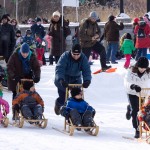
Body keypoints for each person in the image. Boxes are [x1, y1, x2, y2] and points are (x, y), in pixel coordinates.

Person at [54, 44, 92, 115]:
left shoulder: (83, 58)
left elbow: (86, 70)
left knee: (77, 99)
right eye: (74, 54)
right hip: (64, 79)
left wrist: (87, 80)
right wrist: (61, 79)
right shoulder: (65, 56)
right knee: (63, 99)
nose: (76, 56)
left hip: (76, 79)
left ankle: (77, 115)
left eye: (78, 54)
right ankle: (58, 103)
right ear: (71, 52)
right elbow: (59, 69)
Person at [124, 57, 150, 138]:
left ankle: (129, 108)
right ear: (137, 66)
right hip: (132, 92)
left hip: (143, 93)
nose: (142, 69)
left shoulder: (148, 72)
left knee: (143, 111)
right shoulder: (131, 70)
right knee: (135, 110)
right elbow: (126, 82)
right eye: (141, 67)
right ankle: (137, 129)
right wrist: (133, 86)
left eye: (144, 68)